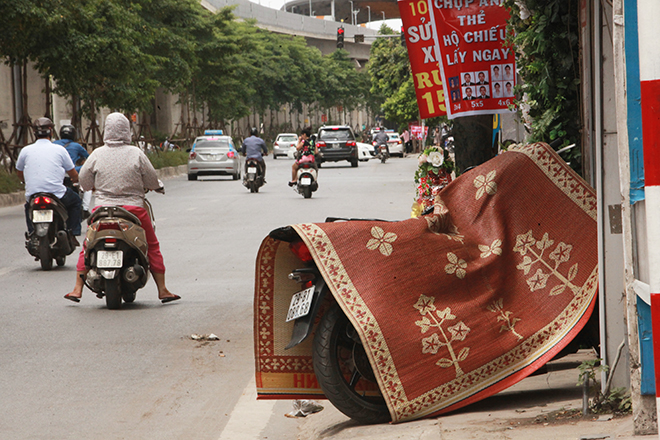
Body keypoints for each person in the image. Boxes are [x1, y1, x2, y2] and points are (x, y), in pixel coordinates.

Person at [64, 112, 180, 304]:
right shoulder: (136, 154)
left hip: (101, 212)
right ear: (127, 130)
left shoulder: (97, 154)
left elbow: (84, 181)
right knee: (151, 245)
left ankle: (77, 289)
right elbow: (151, 179)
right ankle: (162, 290)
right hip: (133, 210)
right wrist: (157, 186)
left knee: (87, 245)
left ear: (106, 131)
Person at [16, 117, 82, 245]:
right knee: (76, 202)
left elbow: (20, 173)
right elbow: (73, 174)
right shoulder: (60, 150)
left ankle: (32, 234)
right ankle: (73, 234)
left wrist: (26, 181)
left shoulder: (25, 150)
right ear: (51, 132)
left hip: (33, 194)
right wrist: (75, 180)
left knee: (28, 207)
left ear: (34, 132)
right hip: (57, 194)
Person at [53, 125, 92, 219]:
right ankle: (85, 209)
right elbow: (89, 159)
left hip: (55, 173)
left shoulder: (53, 144)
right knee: (87, 188)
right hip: (71, 173)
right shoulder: (76, 146)